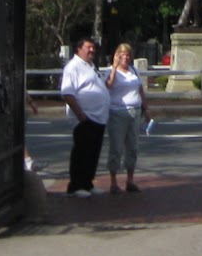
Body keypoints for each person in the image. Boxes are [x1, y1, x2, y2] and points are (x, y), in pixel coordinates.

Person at [59, 37, 109, 197]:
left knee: (93, 153)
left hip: (99, 117)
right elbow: (67, 93)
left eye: (93, 47)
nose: (92, 50)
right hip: (85, 117)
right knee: (82, 152)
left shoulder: (91, 66)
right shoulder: (73, 67)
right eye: (88, 47)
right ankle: (76, 186)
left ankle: (88, 183)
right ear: (79, 49)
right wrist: (80, 114)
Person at [104, 42, 147, 193]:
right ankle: (113, 182)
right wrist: (114, 67)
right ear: (117, 55)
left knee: (133, 147)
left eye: (127, 55)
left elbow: (140, 90)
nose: (125, 58)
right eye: (122, 55)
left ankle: (130, 180)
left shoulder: (133, 70)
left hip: (135, 112)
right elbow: (108, 85)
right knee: (116, 147)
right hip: (117, 112)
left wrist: (146, 109)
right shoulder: (111, 71)